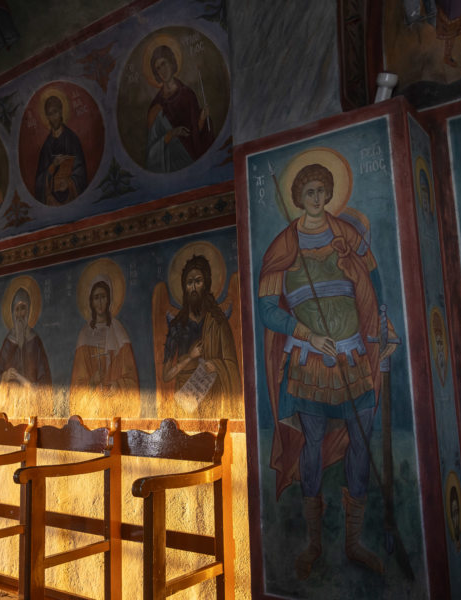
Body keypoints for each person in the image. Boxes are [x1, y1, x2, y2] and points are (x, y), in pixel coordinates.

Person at [258, 163, 396, 577]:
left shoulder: (346, 235)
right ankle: (314, 542)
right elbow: (266, 309)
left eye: (324, 190)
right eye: (311, 191)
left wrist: (383, 328)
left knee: (361, 439)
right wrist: (305, 332)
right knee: (312, 445)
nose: (318, 198)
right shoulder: (284, 244)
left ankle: (354, 542)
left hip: (355, 355)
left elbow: (374, 286)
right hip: (310, 360)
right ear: (298, 196)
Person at [162, 255, 240, 418]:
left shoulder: (218, 322)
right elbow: (166, 375)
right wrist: (189, 357)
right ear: (184, 288)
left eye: (198, 281)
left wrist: (217, 366)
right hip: (185, 402)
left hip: (213, 397)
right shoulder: (177, 326)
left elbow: (232, 363)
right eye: (189, 283)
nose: (194, 287)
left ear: (206, 284)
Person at [69, 280, 140, 416]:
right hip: (92, 409)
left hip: (115, 407)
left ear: (109, 299)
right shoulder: (85, 334)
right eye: (96, 298)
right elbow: (76, 387)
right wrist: (92, 382)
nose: (100, 302)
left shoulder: (118, 331)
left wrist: (117, 385)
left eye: (103, 296)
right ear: (91, 302)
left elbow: (132, 378)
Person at [145, 45, 215, 172]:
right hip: (172, 165)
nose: (162, 70)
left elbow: (195, 134)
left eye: (164, 63)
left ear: (171, 62)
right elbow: (151, 154)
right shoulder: (156, 107)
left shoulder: (188, 95)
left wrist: (202, 119)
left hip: (192, 161)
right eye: (158, 68)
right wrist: (171, 134)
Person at [0, 287, 52, 417]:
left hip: (31, 409)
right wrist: (4, 377)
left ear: (29, 310)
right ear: (13, 312)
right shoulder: (8, 342)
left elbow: (45, 382)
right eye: (17, 309)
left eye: (23, 308)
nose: (20, 314)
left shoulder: (35, 342)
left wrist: (30, 386)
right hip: (10, 409)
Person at [34, 95, 87, 205]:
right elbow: (39, 181)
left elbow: (81, 170)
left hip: (71, 197)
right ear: (47, 117)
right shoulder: (46, 146)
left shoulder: (72, 139)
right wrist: (52, 166)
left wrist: (69, 183)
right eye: (50, 114)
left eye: (55, 112)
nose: (53, 117)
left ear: (61, 112)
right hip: (52, 201)